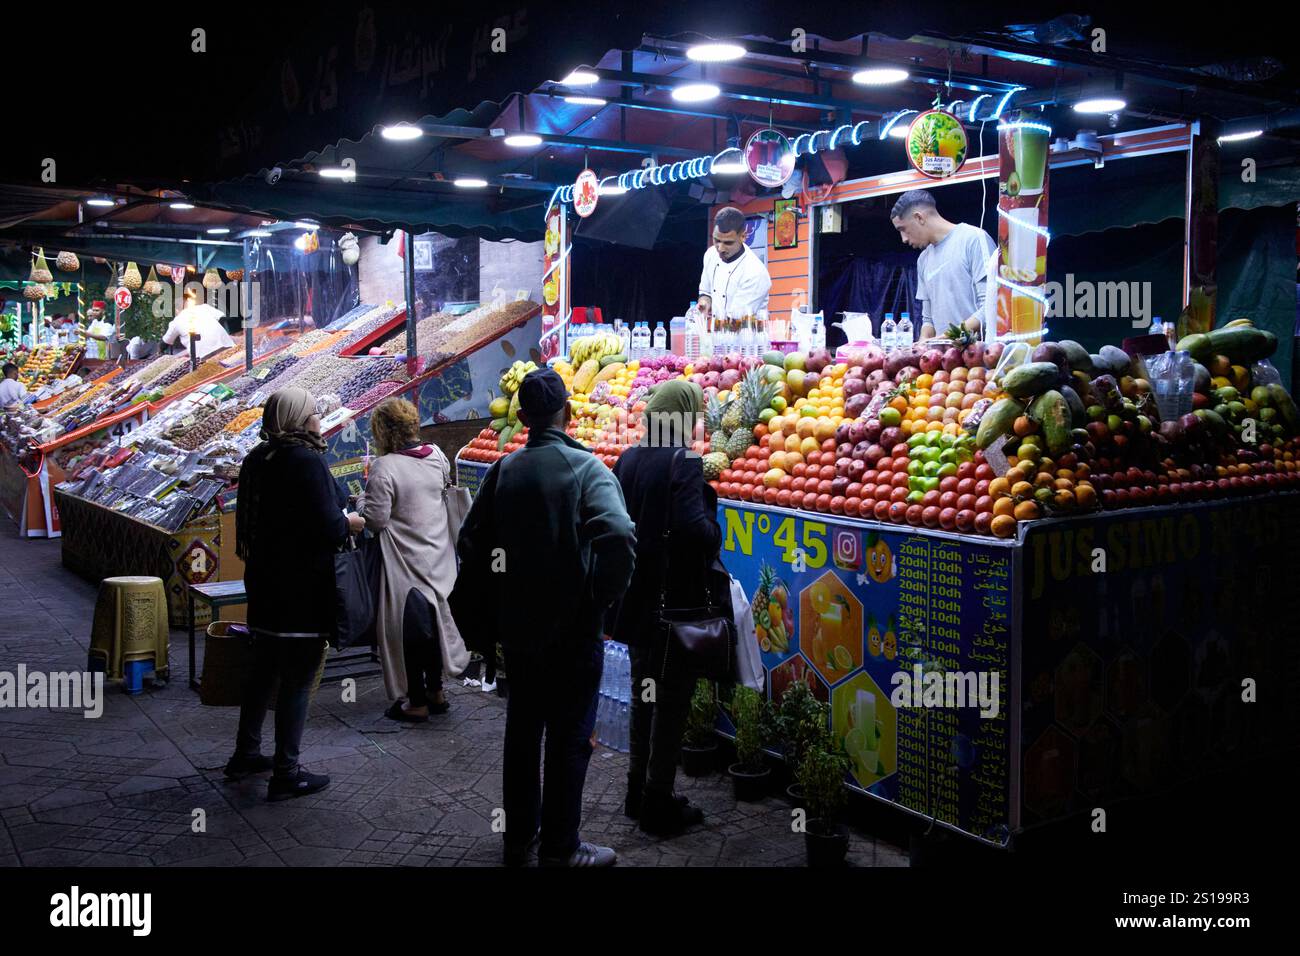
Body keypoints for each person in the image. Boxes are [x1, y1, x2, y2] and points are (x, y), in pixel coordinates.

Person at [454, 368, 636, 868]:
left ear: (525, 417)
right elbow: (618, 533)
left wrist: (497, 596)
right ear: (567, 413)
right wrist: (602, 596)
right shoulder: (587, 469)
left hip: (519, 631)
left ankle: (518, 838)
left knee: (523, 730)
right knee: (570, 736)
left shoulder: (505, 471)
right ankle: (561, 848)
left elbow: (472, 545)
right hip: (574, 631)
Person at [224, 386, 365, 801]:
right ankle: (287, 771)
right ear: (301, 419)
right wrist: (353, 523)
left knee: (263, 672)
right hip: (300, 590)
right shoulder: (305, 460)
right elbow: (330, 525)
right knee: (298, 680)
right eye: (313, 413)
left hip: (264, 585)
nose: (319, 420)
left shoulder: (257, 458)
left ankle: (245, 753)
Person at [607, 379, 720, 836]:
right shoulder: (684, 461)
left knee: (643, 696)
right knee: (670, 702)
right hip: (672, 607)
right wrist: (715, 529)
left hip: (635, 604)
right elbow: (695, 531)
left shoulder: (628, 458)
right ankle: (658, 801)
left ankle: (637, 792)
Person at [357, 398, 469, 721]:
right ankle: (437, 690)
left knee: (411, 632)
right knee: (434, 625)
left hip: (406, 564)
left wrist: (362, 501)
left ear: (383, 432)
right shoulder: (436, 457)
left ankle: (416, 701)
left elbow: (376, 520)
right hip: (438, 557)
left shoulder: (384, 468)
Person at [890, 189, 996, 337]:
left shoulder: (974, 239)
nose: (904, 239)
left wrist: (947, 338)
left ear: (919, 218)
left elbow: (992, 306)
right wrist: (922, 346)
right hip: (943, 358)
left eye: (903, 229)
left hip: (979, 355)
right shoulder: (923, 260)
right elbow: (928, 320)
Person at [696, 206, 771, 322]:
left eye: (728, 243)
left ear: (743, 237)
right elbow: (706, 292)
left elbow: (736, 321)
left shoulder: (755, 273)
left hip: (746, 337)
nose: (720, 248)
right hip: (718, 334)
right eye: (717, 240)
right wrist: (704, 303)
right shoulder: (710, 255)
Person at [161, 299, 235, 359]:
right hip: (225, 345)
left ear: (177, 310)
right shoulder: (204, 307)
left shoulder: (176, 321)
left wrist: (160, 352)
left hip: (202, 355)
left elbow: (165, 342)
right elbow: (221, 317)